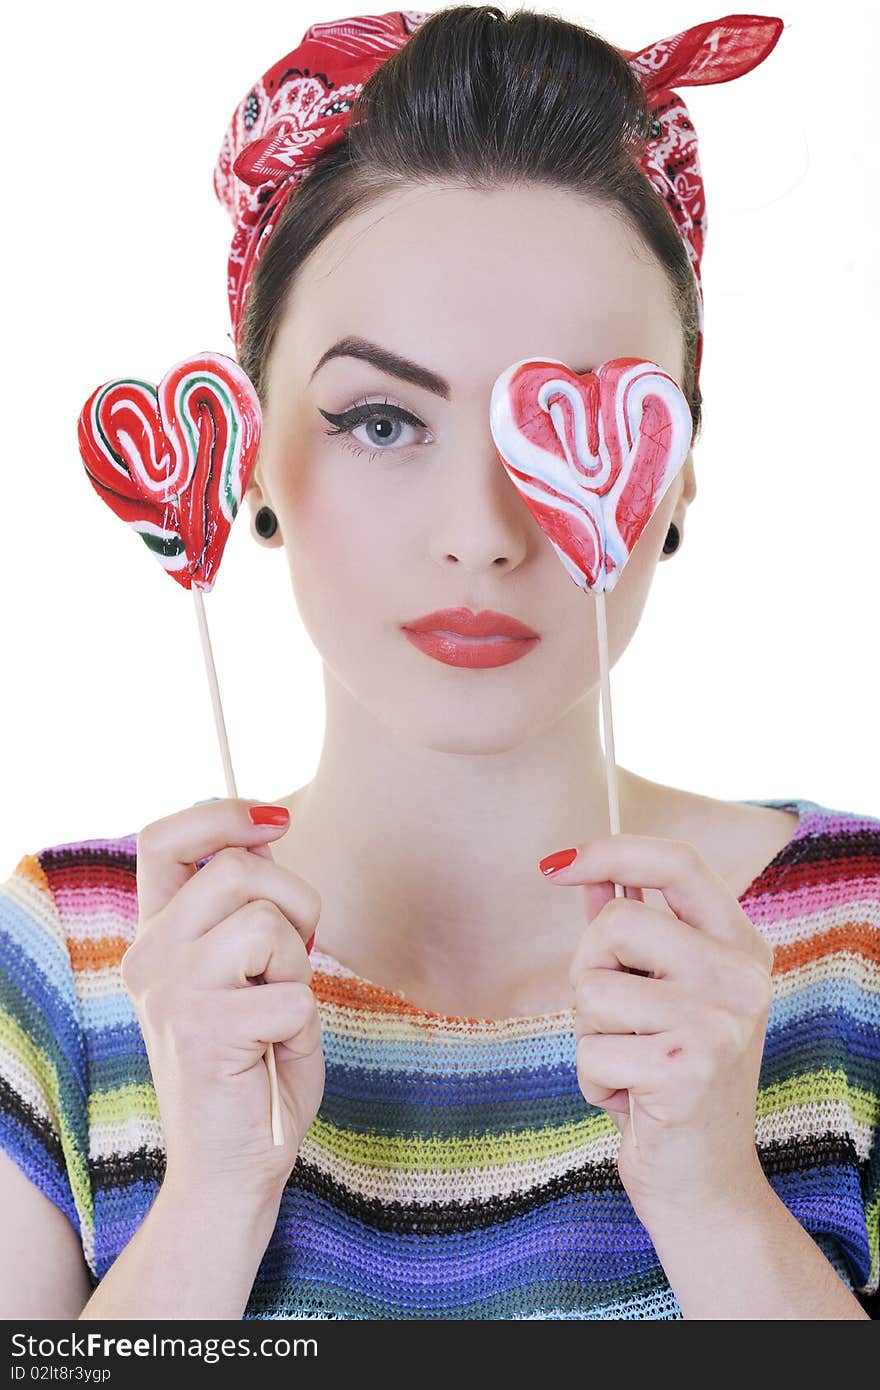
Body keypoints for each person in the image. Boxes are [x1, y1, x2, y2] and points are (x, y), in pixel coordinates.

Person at [1, 5, 877, 1321]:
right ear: (248, 450)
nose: (482, 532)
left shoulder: (857, 940)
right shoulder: (82, 963)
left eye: (570, 421)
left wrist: (714, 1197)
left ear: (678, 463)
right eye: (382, 420)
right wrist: (213, 1197)